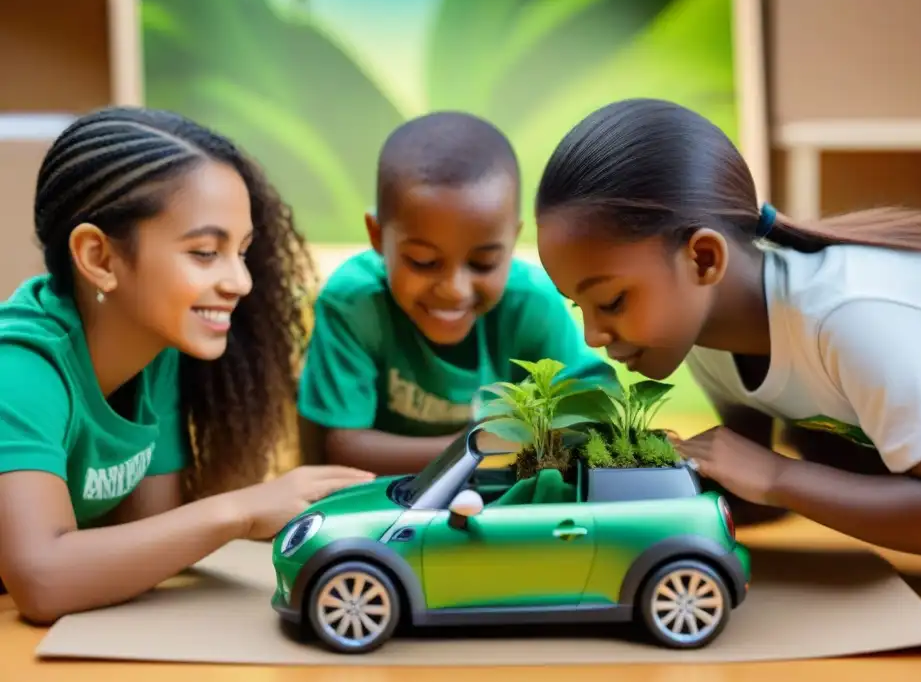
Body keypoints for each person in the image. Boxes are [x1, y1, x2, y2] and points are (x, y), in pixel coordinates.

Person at [533, 97, 921, 615]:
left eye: (611, 300)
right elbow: (747, 494)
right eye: (579, 306)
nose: (591, 335)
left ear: (703, 258)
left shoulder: (852, 314)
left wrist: (776, 476)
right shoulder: (712, 346)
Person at [0, 107, 374, 624]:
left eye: (242, 252)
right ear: (99, 258)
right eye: (204, 252)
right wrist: (242, 510)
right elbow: (43, 579)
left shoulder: (157, 353)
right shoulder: (18, 369)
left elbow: (150, 539)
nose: (241, 282)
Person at [297, 111, 614, 477]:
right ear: (376, 236)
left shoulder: (531, 303)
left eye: (483, 263)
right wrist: (482, 444)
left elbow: (593, 406)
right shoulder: (355, 303)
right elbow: (343, 448)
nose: (453, 290)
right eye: (423, 261)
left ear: (513, 240)